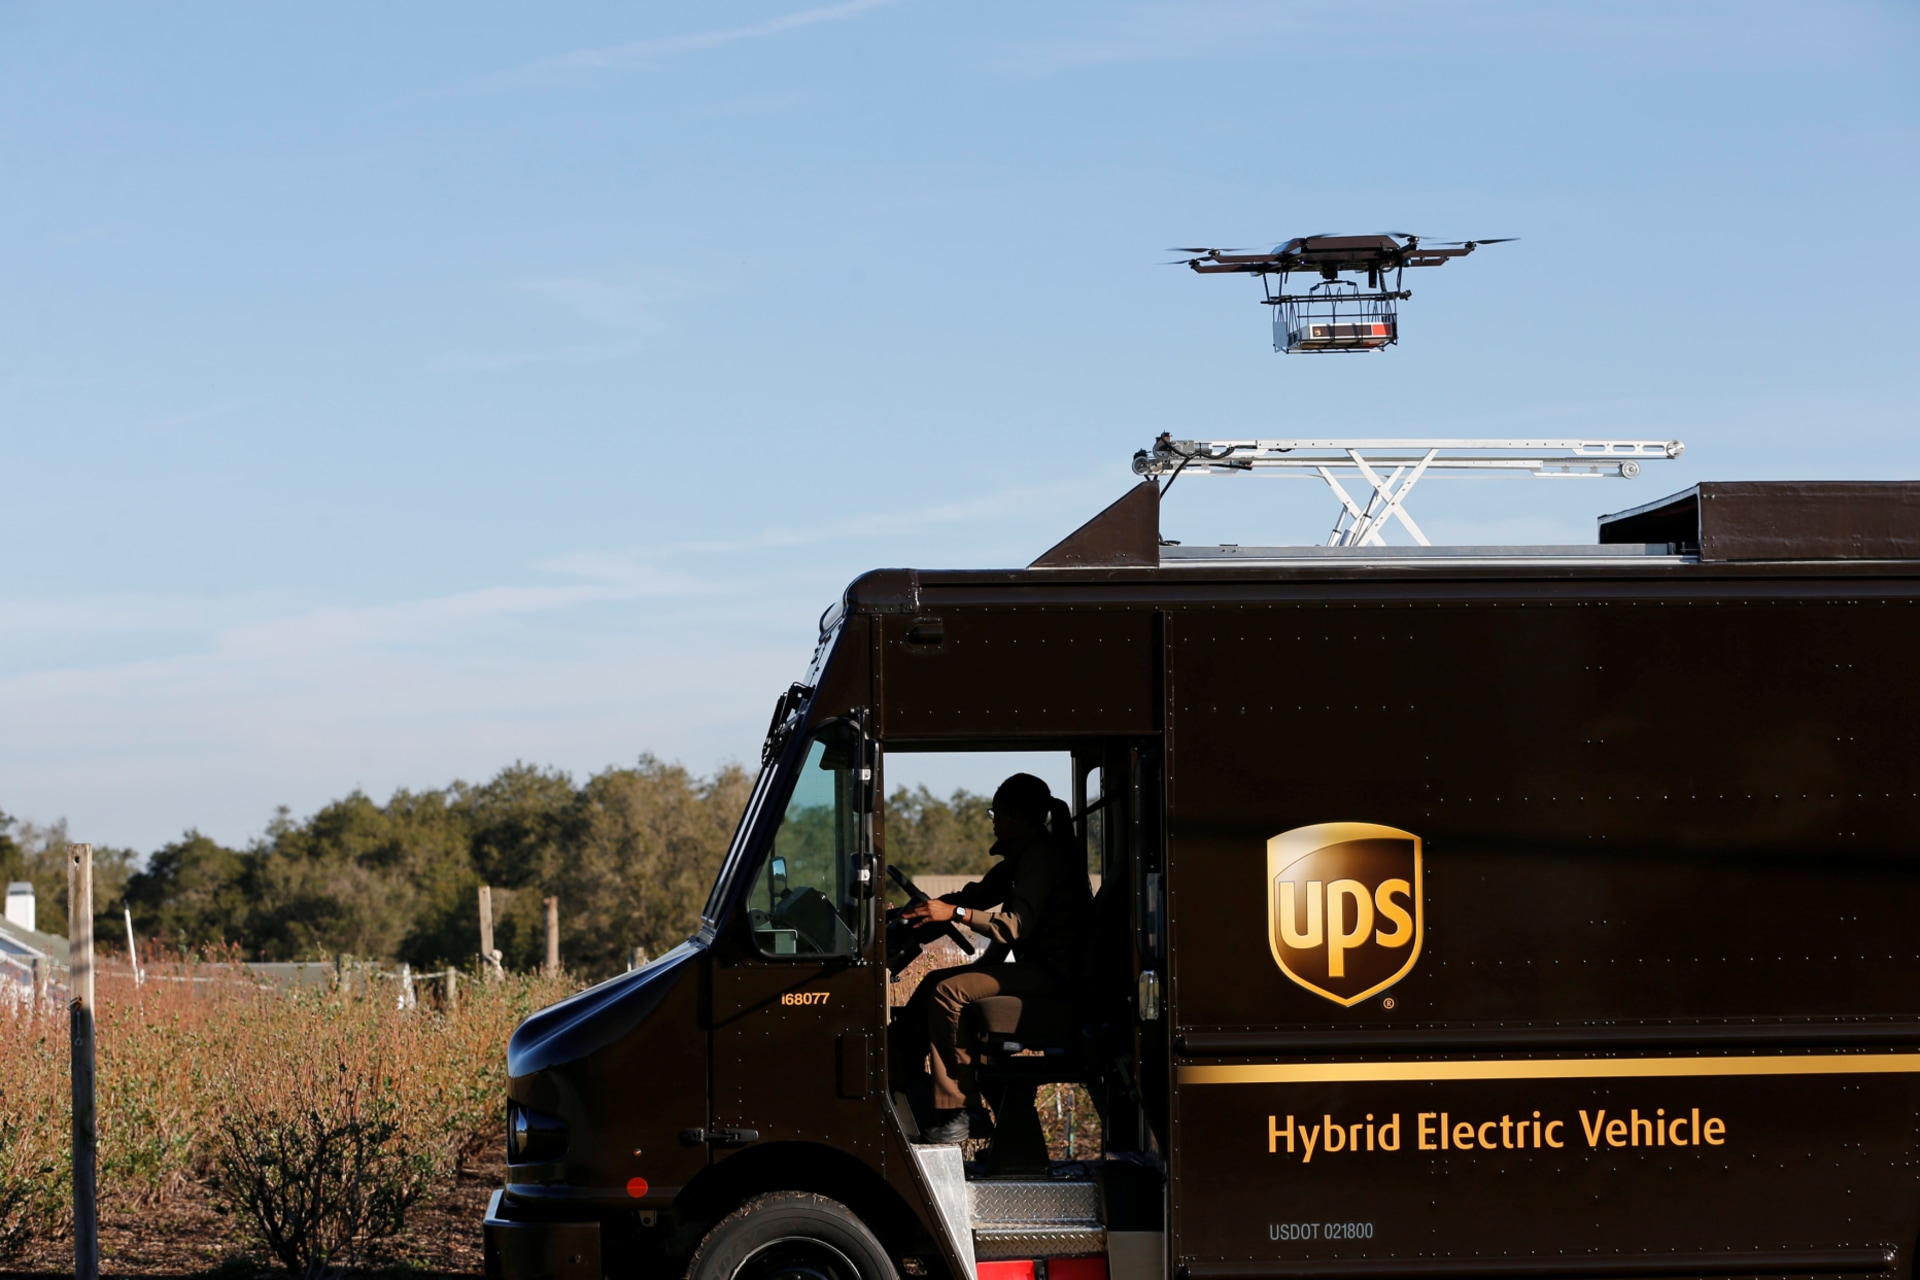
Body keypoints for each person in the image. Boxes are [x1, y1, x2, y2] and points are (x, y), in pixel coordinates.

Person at [891, 772, 1093, 1144]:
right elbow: (979, 895)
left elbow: (1012, 927)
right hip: (1040, 971)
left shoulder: (1041, 858)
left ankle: (962, 1110)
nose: (994, 822)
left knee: (948, 992)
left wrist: (952, 914)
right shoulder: (1022, 857)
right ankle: (899, 1069)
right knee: (936, 981)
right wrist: (924, 911)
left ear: (1014, 816)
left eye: (995, 814)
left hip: (1056, 977)